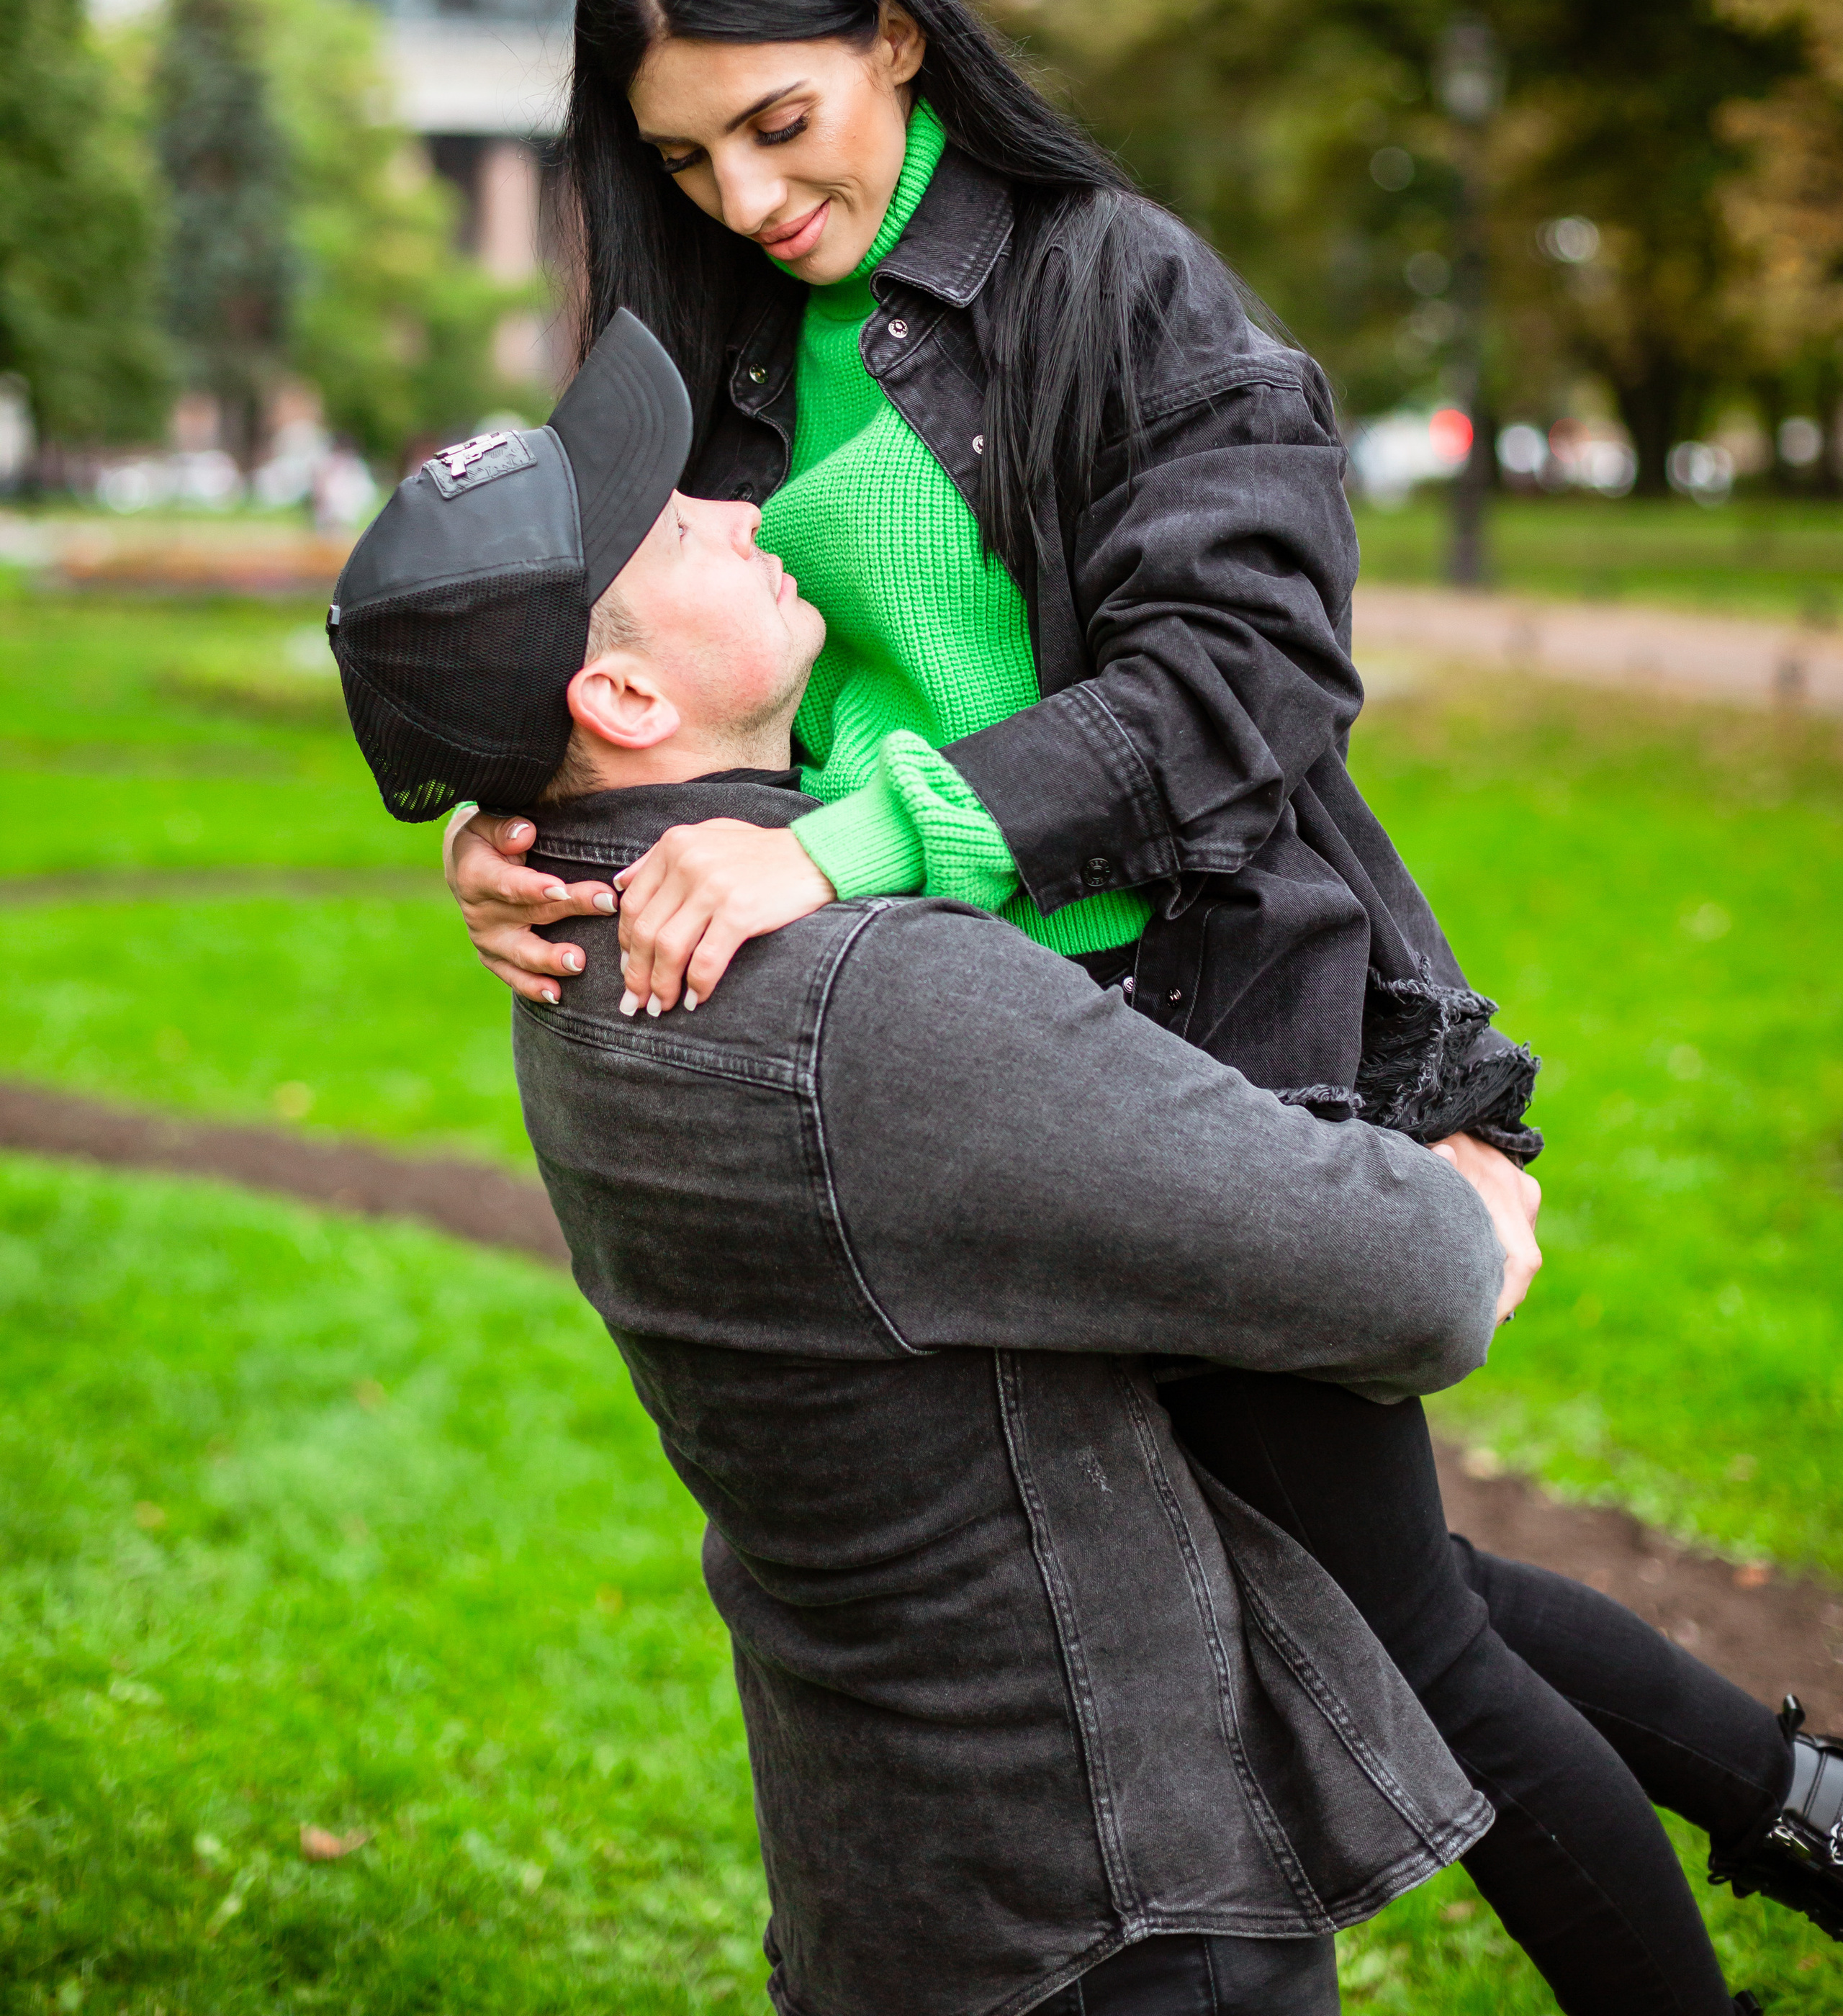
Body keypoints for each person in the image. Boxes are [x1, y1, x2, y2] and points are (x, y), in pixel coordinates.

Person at [445, 0, 1842, 2007]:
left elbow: (1243, 680)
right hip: (939, 1092)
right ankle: (1805, 1811)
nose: (740, 198)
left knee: (1407, 1648)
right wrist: (524, 822)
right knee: (1368, 1585)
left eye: (778, 124)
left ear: (896, 35)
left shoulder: (1117, 288)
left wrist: (855, 841)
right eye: (685, 153)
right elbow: (594, 640)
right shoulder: (698, 336)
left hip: (1176, 1049)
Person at [329, 308, 1544, 2016]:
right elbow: (1409, 1288)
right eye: (682, 527)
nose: (749, 515)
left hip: (890, 1885)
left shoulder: (581, 971)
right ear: (616, 690)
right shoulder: (866, 1003)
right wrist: (1472, 1195)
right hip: (1108, 1897)